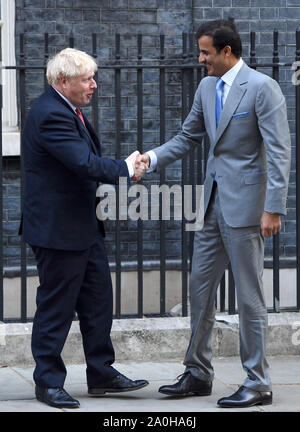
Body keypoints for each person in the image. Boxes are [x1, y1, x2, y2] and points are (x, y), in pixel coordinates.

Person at [138, 19, 291, 408]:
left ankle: (258, 383)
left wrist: (273, 208)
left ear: (227, 51)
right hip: (209, 207)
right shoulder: (207, 87)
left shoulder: (262, 88)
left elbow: (279, 152)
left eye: (206, 51)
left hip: (248, 210)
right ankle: (198, 373)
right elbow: (188, 136)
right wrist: (150, 158)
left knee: (249, 297)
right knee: (199, 291)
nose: (200, 58)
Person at [20, 48, 148, 409]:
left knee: (97, 303)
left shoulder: (66, 109)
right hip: (57, 231)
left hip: (82, 227)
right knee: (56, 307)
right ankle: (48, 382)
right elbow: (83, 163)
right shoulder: (50, 115)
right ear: (64, 81)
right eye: (86, 79)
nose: (94, 85)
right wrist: (125, 167)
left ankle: (101, 373)